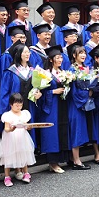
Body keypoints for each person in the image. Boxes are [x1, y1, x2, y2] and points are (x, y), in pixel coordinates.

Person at [37, 45, 69, 173]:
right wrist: (53, 92)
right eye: (57, 58)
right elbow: (40, 93)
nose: (60, 60)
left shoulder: (63, 73)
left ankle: (61, 159)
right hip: (51, 107)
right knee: (52, 133)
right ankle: (52, 162)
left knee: (62, 130)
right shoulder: (45, 74)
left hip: (62, 105)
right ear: (50, 59)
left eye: (61, 57)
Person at [0, 93, 36, 186]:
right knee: (8, 156)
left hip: (22, 137)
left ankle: (26, 173)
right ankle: (7, 177)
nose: (19, 107)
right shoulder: (7, 115)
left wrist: (29, 127)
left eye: (20, 105)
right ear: (11, 104)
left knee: (23, 153)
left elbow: (26, 126)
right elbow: (6, 129)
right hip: (10, 138)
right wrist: (11, 129)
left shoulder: (24, 114)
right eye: (16, 105)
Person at [66, 43, 93, 170]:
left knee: (80, 130)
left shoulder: (85, 68)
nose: (83, 55)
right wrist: (86, 95)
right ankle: (77, 161)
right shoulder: (72, 70)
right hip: (76, 104)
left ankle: (73, 158)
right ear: (74, 55)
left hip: (83, 104)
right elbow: (73, 91)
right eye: (80, 53)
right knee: (76, 130)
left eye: (84, 53)